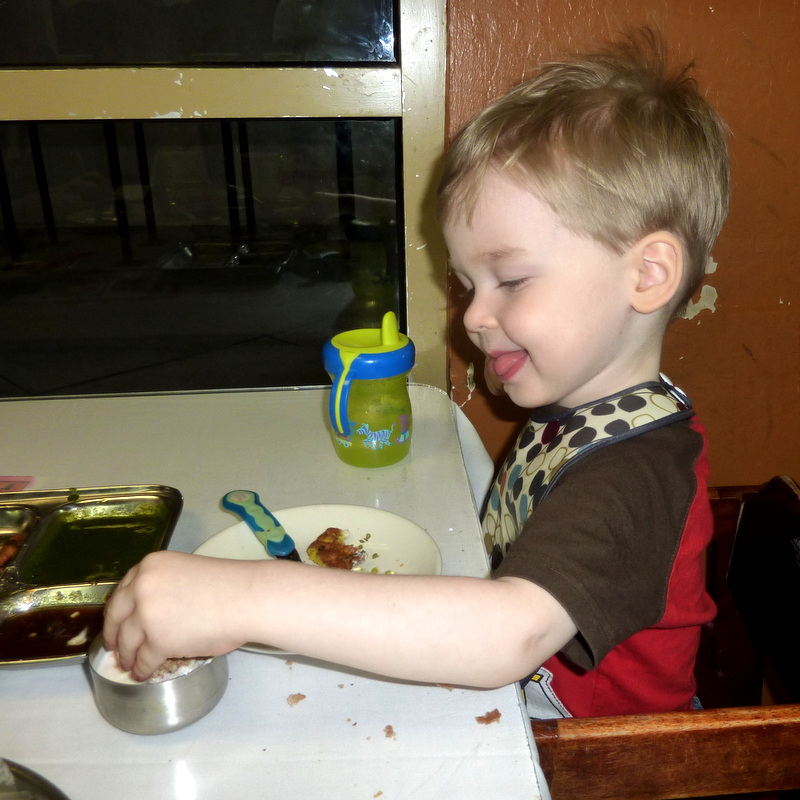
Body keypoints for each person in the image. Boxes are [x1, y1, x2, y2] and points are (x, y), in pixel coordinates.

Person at [103, 27, 730, 719]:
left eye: (511, 280)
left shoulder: (636, 472)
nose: (473, 317)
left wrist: (239, 596)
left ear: (648, 275)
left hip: (605, 758)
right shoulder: (581, 406)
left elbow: (507, 635)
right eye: (467, 285)